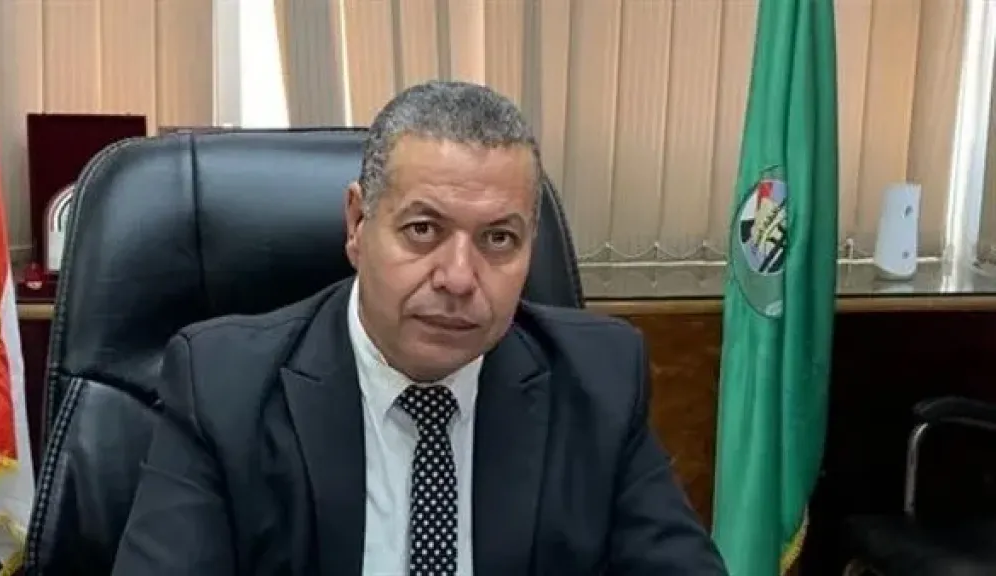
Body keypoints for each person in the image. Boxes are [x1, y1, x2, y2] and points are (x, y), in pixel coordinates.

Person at [112, 81, 726, 575]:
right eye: (423, 230)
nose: (458, 278)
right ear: (357, 224)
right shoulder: (223, 387)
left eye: (498, 239)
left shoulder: (598, 381)